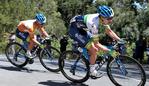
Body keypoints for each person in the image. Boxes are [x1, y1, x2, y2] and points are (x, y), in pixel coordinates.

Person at [68, 5, 123, 77]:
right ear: (102, 17)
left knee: (94, 46)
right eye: (109, 18)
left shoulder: (102, 19)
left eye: (111, 18)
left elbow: (109, 31)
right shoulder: (93, 23)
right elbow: (97, 44)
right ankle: (92, 71)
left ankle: (87, 56)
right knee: (94, 49)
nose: (111, 20)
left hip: (82, 28)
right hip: (75, 30)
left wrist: (120, 40)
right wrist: (109, 51)